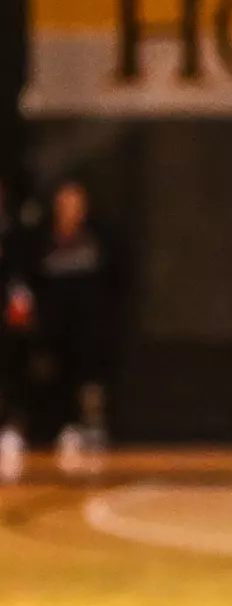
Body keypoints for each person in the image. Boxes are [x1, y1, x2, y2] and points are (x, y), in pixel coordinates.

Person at [35, 179, 122, 471]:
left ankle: (93, 425)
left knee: (92, 380)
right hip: (56, 329)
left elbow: (117, 279)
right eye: (64, 203)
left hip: (90, 328)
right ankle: (62, 426)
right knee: (55, 376)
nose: (70, 209)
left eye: (75, 203)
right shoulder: (43, 241)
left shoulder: (98, 239)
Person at [0, 176, 39, 483]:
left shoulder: (16, 235)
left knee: (11, 370)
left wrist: (20, 305)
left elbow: (21, 279)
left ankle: (11, 427)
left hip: (8, 323)